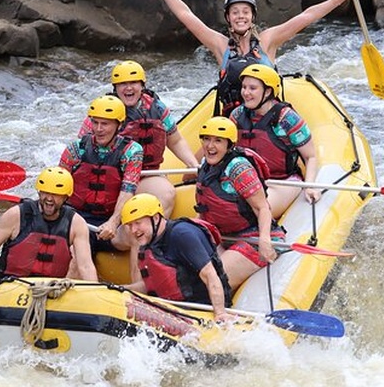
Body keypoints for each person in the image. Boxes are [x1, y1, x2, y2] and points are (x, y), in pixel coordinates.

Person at [138, 0, 358, 115]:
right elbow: (186, 14)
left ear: (253, 16)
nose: (240, 16)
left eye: (245, 11)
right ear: (228, 18)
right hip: (232, 122)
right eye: (235, 12)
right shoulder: (220, 45)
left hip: (266, 120)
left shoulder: (268, 41)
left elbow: (306, 16)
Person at [77, 60, 200, 216]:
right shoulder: (102, 111)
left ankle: (153, 235)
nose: (128, 88)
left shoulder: (158, 109)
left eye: (134, 83)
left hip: (145, 175)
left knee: (166, 193)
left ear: (142, 86)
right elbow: (81, 147)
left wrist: (194, 165)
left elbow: (175, 140)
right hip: (112, 176)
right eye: (123, 84)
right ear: (115, 88)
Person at [194, 116, 286, 291]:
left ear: (229, 145)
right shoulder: (206, 165)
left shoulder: (238, 168)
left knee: (213, 280)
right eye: (206, 139)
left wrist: (265, 240)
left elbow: (262, 207)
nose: (210, 146)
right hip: (224, 236)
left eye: (217, 141)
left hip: (253, 237)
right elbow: (205, 208)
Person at [0, 166, 97, 292]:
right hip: (11, 286)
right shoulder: (16, 215)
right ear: (39, 192)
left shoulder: (76, 223)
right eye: (45, 192)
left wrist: (96, 294)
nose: (49, 199)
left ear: (66, 197)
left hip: (50, 290)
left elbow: (85, 266)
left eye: (56, 195)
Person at [120, 193, 234, 322]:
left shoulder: (182, 234)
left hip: (202, 310)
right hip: (176, 310)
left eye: (138, 223)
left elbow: (210, 275)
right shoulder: (150, 240)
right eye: (130, 225)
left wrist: (219, 313)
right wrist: (120, 290)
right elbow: (154, 285)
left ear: (156, 218)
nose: (134, 230)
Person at [230, 64, 321, 217]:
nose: (245, 93)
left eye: (252, 88)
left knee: (256, 209)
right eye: (244, 87)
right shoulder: (237, 115)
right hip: (247, 179)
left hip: (281, 181)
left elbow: (310, 156)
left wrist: (310, 185)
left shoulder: (287, 119)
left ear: (268, 91)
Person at [59, 95, 143, 252]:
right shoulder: (75, 149)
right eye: (95, 123)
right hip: (77, 218)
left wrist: (113, 222)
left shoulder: (132, 151)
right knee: (79, 250)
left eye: (105, 124)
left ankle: (138, 277)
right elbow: (59, 188)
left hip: (109, 221)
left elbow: (128, 190)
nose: (98, 129)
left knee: (137, 235)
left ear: (119, 125)